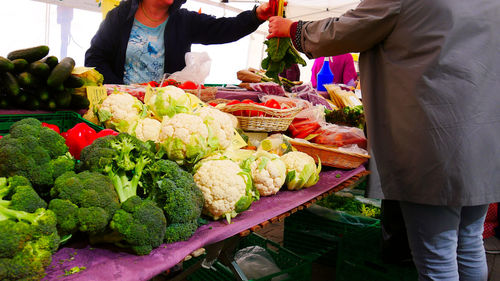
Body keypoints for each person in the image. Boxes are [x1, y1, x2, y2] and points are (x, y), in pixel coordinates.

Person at [267, 0, 500, 280]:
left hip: (434, 140)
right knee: (470, 242)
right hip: (485, 137)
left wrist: (294, 28)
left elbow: (345, 30)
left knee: (437, 252)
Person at [85, 0, 273, 84]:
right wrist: (119, 89)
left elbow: (224, 28)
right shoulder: (119, 17)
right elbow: (95, 58)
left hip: (165, 111)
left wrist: (256, 16)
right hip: (123, 106)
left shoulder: (183, 20)